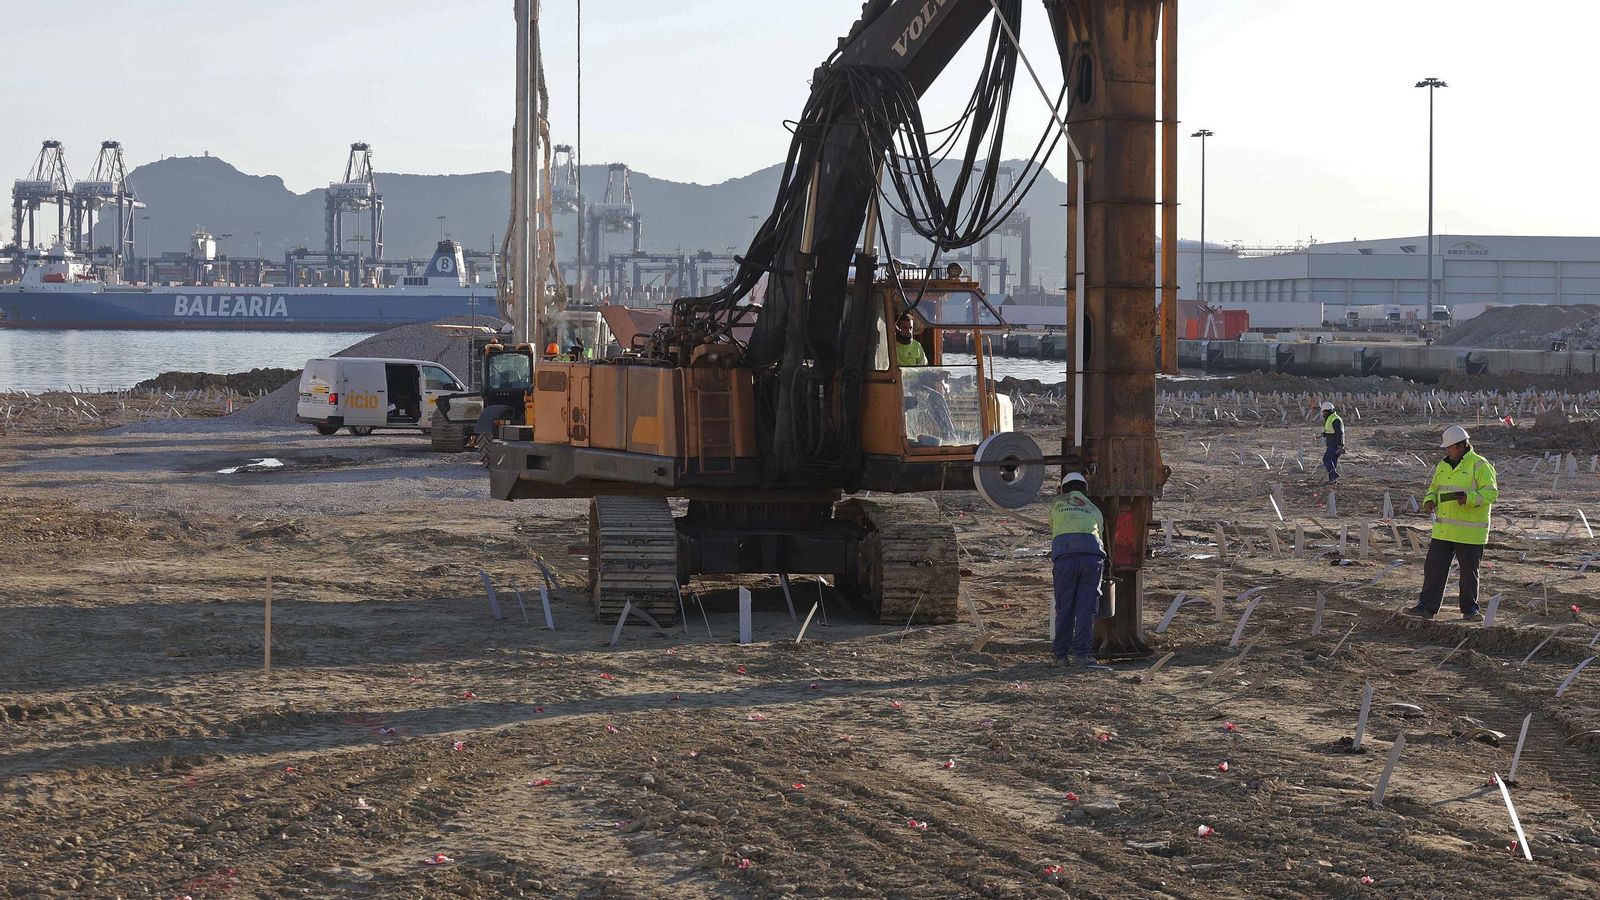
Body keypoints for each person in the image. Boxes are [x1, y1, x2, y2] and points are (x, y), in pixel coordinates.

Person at [1405, 425, 1498, 621]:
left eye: (1450, 447)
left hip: (1469, 532)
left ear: (1462, 445)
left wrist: (1469, 498)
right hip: (1444, 529)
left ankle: (1470, 610)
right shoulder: (1443, 465)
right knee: (1434, 569)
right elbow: (1434, 487)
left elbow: (1491, 493)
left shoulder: (1480, 465)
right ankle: (1426, 607)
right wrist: (1429, 500)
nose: (1447, 451)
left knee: (1469, 573)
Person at [1049, 473, 1111, 671]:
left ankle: (1060, 657)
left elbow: (1053, 526)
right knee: (1086, 609)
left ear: (1064, 489)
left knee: (1065, 608)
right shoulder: (1094, 509)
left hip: (1065, 559)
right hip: (1091, 560)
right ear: (1085, 490)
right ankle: (1081, 656)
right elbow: (1100, 534)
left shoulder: (1057, 505)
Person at [1320, 401, 1344, 483]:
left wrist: (1340, 445)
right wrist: (1324, 434)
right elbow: (1331, 431)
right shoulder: (1331, 418)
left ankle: (1334, 475)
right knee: (1333, 461)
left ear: (1328, 411)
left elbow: (1339, 433)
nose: (1323, 413)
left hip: (1335, 444)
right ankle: (1332, 480)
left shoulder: (1335, 419)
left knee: (1326, 459)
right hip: (1333, 443)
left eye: (1324, 412)